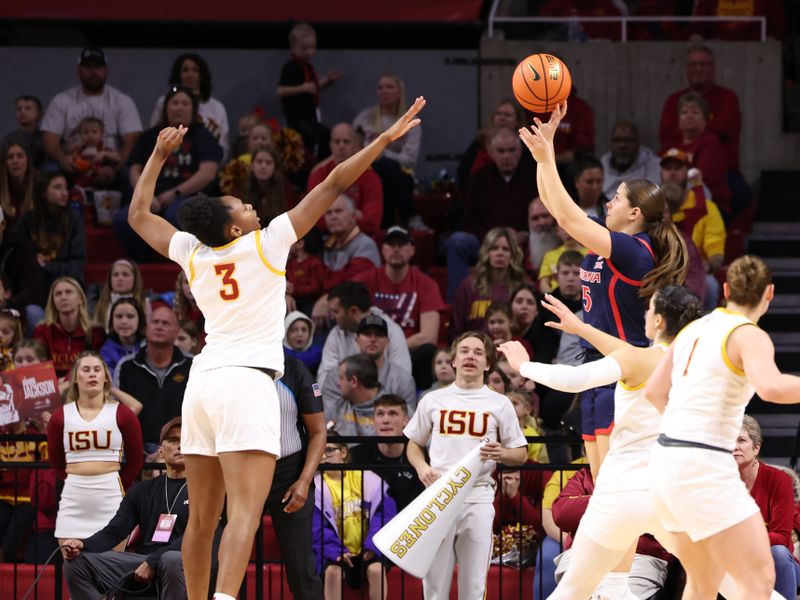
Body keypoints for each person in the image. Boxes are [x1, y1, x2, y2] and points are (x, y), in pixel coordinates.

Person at [125, 98, 425, 600]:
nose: (250, 204)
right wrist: (382, 142)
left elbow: (138, 215)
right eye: (240, 205)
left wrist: (156, 157)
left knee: (201, 519)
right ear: (236, 228)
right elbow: (331, 185)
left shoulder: (195, 254)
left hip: (201, 384)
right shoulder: (266, 243)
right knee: (242, 513)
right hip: (246, 382)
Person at [500, 283, 704, 600]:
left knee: (571, 591)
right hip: (669, 492)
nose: (645, 313)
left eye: (650, 308)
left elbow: (573, 379)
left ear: (660, 320)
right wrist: (581, 327)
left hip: (623, 490)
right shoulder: (696, 367)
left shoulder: (638, 359)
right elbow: (624, 351)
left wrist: (523, 366)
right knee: (728, 579)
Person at [519, 101, 688, 480]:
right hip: (595, 365)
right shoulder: (607, 239)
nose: (608, 201)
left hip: (625, 368)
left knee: (616, 480)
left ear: (635, 214)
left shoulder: (633, 249)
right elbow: (552, 204)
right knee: (600, 482)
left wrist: (548, 159)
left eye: (618, 198)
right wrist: (540, 154)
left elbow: (565, 216)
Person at [646, 255, 800, 599]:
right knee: (759, 581)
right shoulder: (749, 334)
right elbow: (771, 387)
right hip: (704, 465)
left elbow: (654, 391)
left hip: (663, 461)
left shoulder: (692, 329)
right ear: (769, 294)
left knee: (703, 582)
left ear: (726, 289)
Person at [404, 331, 527, 600]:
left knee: (473, 586)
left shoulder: (500, 403)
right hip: (439, 496)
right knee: (434, 584)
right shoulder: (432, 400)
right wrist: (422, 468)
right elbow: (413, 445)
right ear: (454, 361)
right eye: (464, 351)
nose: (471, 355)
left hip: (478, 495)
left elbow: (521, 454)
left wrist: (503, 452)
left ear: (487, 365)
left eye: (478, 352)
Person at [61, 417, 194, 600]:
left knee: (171, 559)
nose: (180, 445)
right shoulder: (142, 491)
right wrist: (83, 544)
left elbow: (198, 536)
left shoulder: (206, 489)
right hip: (142, 563)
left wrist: (153, 562)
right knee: (76, 562)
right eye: (173, 440)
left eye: (186, 440)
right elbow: (114, 531)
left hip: (186, 561)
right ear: (161, 451)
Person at [115, 85, 223, 262]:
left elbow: (208, 173)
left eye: (185, 103)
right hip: (152, 198)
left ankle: (176, 263)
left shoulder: (203, 136)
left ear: (193, 109)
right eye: (175, 103)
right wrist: (146, 198)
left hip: (186, 197)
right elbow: (134, 169)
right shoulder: (151, 136)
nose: (179, 107)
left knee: (177, 215)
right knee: (122, 219)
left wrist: (174, 194)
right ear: (166, 108)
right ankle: (144, 263)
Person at [47, 352, 144, 544]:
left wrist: (114, 483)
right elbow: (57, 463)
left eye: (97, 369)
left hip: (110, 496)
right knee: (74, 570)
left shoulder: (123, 414)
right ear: (75, 377)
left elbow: (135, 461)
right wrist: (78, 480)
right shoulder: (60, 417)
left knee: (111, 569)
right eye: (86, 369)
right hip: (74, 498)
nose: (92, 374)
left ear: (105, 377)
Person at [447, 128, 537, 299]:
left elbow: (544, 217)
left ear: (520, 151)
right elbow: (469, 221)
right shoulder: (479, 178)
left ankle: (538, 298)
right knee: (457, 241)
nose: (506, 156)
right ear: (491, 153)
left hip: (525, 241)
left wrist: (526, 234)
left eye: (511, 150)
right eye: (501, 151)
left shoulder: (534, 177)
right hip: (485, 242)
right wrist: (494, 238)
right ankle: (457, 300)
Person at [353, 225, 445, 389]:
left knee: (428, 351)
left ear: (412, 250)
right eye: (391, 244)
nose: (396, 249)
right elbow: (342, 303)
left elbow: (429, 336)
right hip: (370, 349)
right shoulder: (365, 280)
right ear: (383, 249)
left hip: (410, 352)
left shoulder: (426, 284)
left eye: (401, 244)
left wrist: (391, 347)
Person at [267, 353, 326, 600]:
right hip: (240, 473)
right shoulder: (230, 363)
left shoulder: (293, 368)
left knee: (301, 567)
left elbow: (318, 431)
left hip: (288, 474)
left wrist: (304, 481)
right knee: (218, 559)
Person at [41, 47, 142, 187]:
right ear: (78, 71)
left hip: (110, 164)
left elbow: (132, 140)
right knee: (50, 170)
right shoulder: (62, 100)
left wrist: (114, 168)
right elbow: (49, 138)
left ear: (106, 70)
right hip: (72, 163)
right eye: (88, 67)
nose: (94, 72)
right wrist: (63, 160)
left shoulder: (122, 101)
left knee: (130, 174)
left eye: (98, 67)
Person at [313, 438, 396, 600]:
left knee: (377, 570)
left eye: (329, 450)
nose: (323, 456)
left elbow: (385, 515)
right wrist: (337, 552)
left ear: (343, 452)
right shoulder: (315, 487)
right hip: (337, 552)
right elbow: (317, 529)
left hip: (368, 551)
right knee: (332, 572)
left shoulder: (367, 479)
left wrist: (372, 546)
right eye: (320, 452)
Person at [735, 415, 800, 600]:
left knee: (777, 552)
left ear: (756, 448)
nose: (735, 446)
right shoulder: (719, 483)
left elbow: (781, 535)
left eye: (741, 440)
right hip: (735, 559)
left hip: (777, 562)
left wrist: (738, 541)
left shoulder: (779, 480)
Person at [115, 305, 191, 453]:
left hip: (182, 447)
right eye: (155, 322)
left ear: (177, 332)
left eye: (166, 323)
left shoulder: (191, 365)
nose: (159, 326)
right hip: (136, 449)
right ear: (147, 328)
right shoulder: (126, 367)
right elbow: (117, 415)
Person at [660, 147, 726, 309]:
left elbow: (715, 250)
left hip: (692, 270)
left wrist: (709, 265)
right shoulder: (652, 205)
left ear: (687, 171)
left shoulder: (700, 209)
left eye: (678, 168)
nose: (672, 173)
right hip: (659, 269)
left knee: (710, 285)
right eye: (668, 168)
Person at [354, 74, 421, 228]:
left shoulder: (410, 121)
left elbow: (410, 160)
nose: (384, 91)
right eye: (380, 88)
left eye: (389, 87)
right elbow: (353, 146)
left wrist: (381, 150)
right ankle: (408, 218)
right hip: (367, 169)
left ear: (400, 92)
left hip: (400, 173)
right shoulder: (365, 118)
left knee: (388, 167)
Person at [316, 281, 412, 382]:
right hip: (341, 396)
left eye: (336, 312)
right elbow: (323, 378)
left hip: (386, 396)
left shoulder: (392, 331)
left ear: (353, 311)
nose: (331, 317)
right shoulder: (335, 334)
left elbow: (403, 379)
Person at [322, 315, 416, 414]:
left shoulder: (403, 380)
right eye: (367, 334)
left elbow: (408, 422)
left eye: (379, 334)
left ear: (387, 342)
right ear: (357, 340)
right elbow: (328, 416)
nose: (372, 339)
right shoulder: (336, 376)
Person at [448, 227, 526, 339]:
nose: (500, 253)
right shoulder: (468, 286)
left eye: (505, 249)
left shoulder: (521, 287)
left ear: (512, 255)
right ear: (486, 253)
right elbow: (455, 330)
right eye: (494, 248)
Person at [350, 394, 425, 511]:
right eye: (380, 414)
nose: (385, 420)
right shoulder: (356, 456)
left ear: (406, 421)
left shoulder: (420, 455)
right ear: (373, 421)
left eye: (393, 414)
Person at [307, 123, 383, 236]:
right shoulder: (318, 176)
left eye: (346, 141)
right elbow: (311, 218)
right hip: (325, 238)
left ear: (355, 146)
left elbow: (372, 223)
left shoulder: (370, 178)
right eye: (337, 142)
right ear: (331, 145)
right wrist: (353, 216)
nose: (341, 146)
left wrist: (330, 216)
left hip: (359, 237)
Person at [150, 53, 231, 159]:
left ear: (201, 75)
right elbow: (153, 135)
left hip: (206, 160)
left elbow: (223, 146)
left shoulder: (216, 107)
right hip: (168, 159)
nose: (190, 74)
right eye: (185, 70)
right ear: (178, 74)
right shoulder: (163, 101)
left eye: (195, 70)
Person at [277, 22, 338, 161]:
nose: (310, 52)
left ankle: (317, 165)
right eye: (305, 48)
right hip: (299, 119)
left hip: (309, 116)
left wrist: (327, 81)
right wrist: (302, 88)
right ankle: (321, 164)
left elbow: (312, 87)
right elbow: (281, 90)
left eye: (312, 47)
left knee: (310, 145)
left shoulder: (307, 66)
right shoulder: (291, 67)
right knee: (324, 135)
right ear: (293, 48)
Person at [17, 172, 86, 287]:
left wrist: (47, 266)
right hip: (33, 283)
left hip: (66, 282)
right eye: (57, 187)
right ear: (43, 192)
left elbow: (76, 265)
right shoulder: (27, 220)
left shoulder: (74, 221)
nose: (64, 193)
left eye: (66, 188)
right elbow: (19, 258)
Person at [34, 277, 105, 377]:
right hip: (53, 385)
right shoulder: (42, 330)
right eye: (58, 294)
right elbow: (39, 366)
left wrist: (68, 382)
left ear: (80, 299)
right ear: (53, 301)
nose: (63, 297)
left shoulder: (96, 332)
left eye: (68, 292)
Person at [456, 97, 529, 192]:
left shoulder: (525, 143)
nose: (502, 118)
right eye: (498, 114)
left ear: (517, 121)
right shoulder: (481, 141)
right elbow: (463, 171)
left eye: (507, 115)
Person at [0, 206, 47, 333]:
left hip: (15, 304)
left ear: (3, 225)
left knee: (34, 313)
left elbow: (33, 288)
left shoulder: (22, 246)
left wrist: (7, 302)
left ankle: (34, 352)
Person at [321, 195, 381, 291]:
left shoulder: (365, 245)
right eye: (328, 213)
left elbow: (355, 284)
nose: (333, 217)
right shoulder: (327, 246)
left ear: (353, 216)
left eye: (338, 211)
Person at [326, 353, 384, 436]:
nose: (338, 384)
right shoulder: (336, 408)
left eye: (341, 378)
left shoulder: (392, 407)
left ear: (354, 381)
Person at [600, 121, 661, 199]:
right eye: (617, 140)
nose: (622, 145)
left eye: (628, 140)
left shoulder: (655, 167)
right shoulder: (601, 167)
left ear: (638, 143)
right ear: (611, 143)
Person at [89, 258, 151, 331]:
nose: (120, 278)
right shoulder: (103, 303)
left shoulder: (144, 303)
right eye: (115, 275)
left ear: (135, 279)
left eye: (125, 275)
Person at [243, 146, 296, 224]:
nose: (263, 166)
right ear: (252, 166)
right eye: (259, 161)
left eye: (268, 163)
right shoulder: (241, 189)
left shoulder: (285, 190)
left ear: (275, 168)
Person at [70, 117, 121, 190]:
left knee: (108, 171)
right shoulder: (79, 150)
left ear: (101, 135)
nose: (90, 135)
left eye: (94, 132)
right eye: (86, 132)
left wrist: (104, 154)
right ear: (80, 135)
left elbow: (118, 159)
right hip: (81, 180)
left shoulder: (103, 150)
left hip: (99, 181)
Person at [99, 297, 146, 374]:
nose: (124, 321)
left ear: (140, 320)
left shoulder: (149, 347)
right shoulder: (106, 351)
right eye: (119, 316)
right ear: (112, 321)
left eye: (130, 316)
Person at [0, 138, 37, 228]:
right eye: (10, 157)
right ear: (4, 163)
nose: (15, 161)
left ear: (28, 160)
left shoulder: (40, 184)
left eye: (20, 156)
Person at [1, 95, 44, 169]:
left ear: (39, 114)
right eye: (19, 109)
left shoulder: (46, 139)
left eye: (28, 108)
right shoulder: (10, 139)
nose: (22, 111)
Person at [524, 197, 560, 277]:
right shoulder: (521, 250)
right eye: (535, 218)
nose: (541, 223)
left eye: (545, 216)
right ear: (528, 222)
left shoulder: (570, 244)